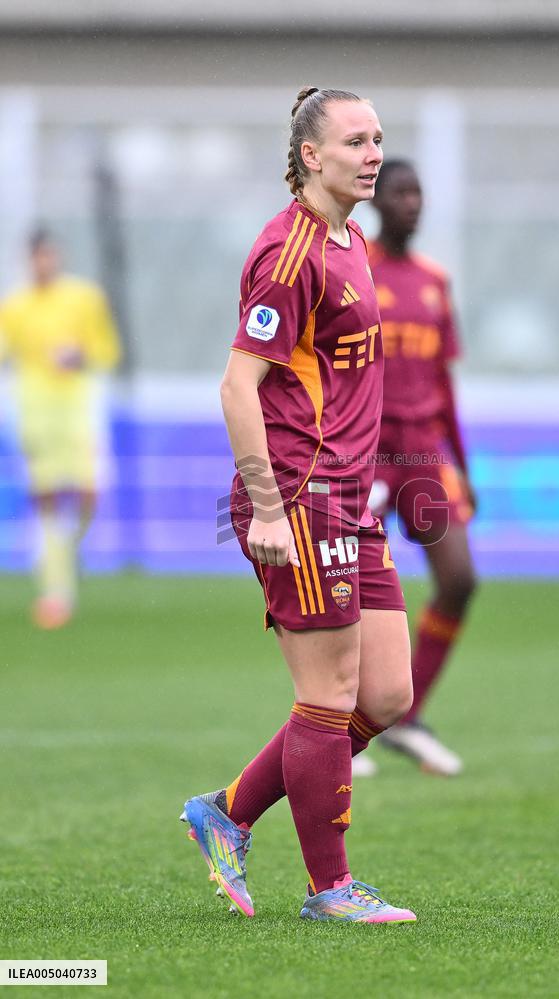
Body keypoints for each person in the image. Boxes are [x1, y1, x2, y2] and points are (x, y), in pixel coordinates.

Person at [180, 88, 416, 924]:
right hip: (301, 496)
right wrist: (269, 505)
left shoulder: (351, 238)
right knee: (327, 695)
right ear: (310, 156)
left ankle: (228, 813)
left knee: (385, 697)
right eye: (355, 140)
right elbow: (237, 386)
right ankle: (330, 890)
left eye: (379, 138)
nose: (373, 153)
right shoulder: (290, 252)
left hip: (352, 499)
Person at [358, 159, 477, 777]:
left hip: (423, 457)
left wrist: (464, 463)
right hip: (371, 452)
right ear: (377, 202)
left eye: (418, 193)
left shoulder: (434, 280)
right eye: (400, 193)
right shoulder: (358, 270)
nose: (412, 203)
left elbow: (443, 381)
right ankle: (339, 728)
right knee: (342, 584)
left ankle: (407, 716)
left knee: (458, 578)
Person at [0, 229, 121, 628]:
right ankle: (57, 591)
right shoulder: (14, 305)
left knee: (90, 493)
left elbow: (108, 350)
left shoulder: (84, 299)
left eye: (49, 256)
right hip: (36, 412)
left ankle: (64, 550)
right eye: (37, 257)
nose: (44, 264)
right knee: (49, 496)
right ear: (29, 260)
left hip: (78, 409)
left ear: (58, 257)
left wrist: (80, 355)